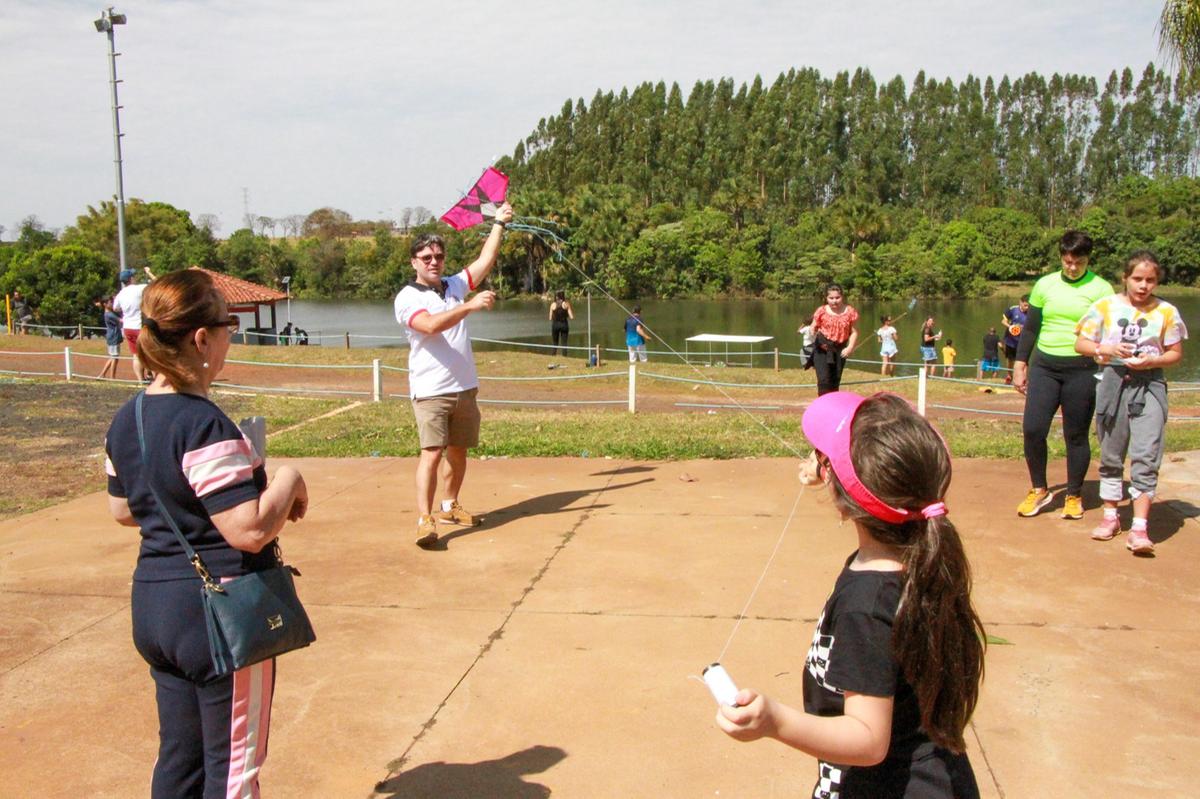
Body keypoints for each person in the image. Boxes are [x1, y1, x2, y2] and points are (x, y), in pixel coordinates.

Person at [716, 391, 985, 799]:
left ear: (844, 501)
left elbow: (867, 739)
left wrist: (774, 721)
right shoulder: (924, 557)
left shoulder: (868, 602)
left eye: (824, 459)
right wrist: (831, 472)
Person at [104, 269, 309, 798]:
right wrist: (286, 479)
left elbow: (123, 509)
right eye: (227, 327)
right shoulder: (203, 423)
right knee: (233, 768)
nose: (229, 338)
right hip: (220, 617)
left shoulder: (128, 418)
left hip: (156, 607)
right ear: (200, 339)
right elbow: (249, 530)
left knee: (180, 760)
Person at [394, 202, 514, 547]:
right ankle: (424, 518)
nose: (434, 262)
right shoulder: (407, 297)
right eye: (426, 257)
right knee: (431, 453)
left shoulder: (453, 285)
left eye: (438, 256)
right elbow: (429, 326)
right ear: (414, 262)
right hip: (431, 390)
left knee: (458, 451)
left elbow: (484, 261)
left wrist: (498, 224)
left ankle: (449, 505)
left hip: (464, 387)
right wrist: (470, 306)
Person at [1074, 250, 1187, 554]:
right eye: (1137, 278)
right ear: (1124, 278)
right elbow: (1080, 343)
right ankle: (1111, 516)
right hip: (1112, 382)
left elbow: (1175, 352)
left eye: (1150, 280)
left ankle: (1139, 528)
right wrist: (1105, 347)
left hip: (1150, 385)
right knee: (1111, 451)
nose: (1143, 285)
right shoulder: (1105, 307)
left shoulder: (1166, 311)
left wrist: (1153, 360)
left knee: (1146, 453)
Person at [1013, 230, 1114, 519]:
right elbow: (1031, 328)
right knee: (1033, 429)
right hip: (1046, 365)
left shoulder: (1101, 289)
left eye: (1078, 262)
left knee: (1076, 435)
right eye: (1067, 261)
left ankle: (1073, 493)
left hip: (1082, 369)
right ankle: (1039, 489)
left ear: (1087, 259)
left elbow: (1109, 332)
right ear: (1061, 257)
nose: (1071, 267)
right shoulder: (1044, 285)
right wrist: (1021, 364)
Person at [809, 284, 859, 395]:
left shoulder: (850, 312)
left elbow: (854, 332)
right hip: (822, 349)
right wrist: (812, 330)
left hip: (839, 349)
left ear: (842, 297)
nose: (834, 301)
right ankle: (823, 405)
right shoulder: (821, 311)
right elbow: (813, 326)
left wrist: (850, 347)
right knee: (824, 380)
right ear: (826, 298)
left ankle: (833, 406)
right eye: (831, 298)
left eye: (837, 298)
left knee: (835, 380)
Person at [113, 266, 156, 382]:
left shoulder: (121, 294)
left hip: (127, 327)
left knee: (136, 355)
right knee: (150, 352)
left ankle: (140, 380)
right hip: (139, 326)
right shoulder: (139, 289)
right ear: (131, 279)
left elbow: (115, 308)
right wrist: (149, 272)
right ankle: (155, 378)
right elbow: (157, 282)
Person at [1001, 296, 1030, 384]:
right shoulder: (1013, 310)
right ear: (1020, 302)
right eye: (1025, 305)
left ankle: (1024, 379)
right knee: (1010, 359)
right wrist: (1010, 326)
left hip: (1024, 340)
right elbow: (1003, 321)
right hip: (1011, 340)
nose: (1027, 308)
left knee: (1024, 361)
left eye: (1028, 306)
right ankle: (1009, 375)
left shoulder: (1031, 313)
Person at [97, 296, 122, 379]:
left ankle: (102, 375)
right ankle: (112, 378)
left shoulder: (109, 313)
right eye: (110, 302)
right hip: (113, 337)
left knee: (113, 357)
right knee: (114, 358)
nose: (112, 304)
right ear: (105, 304)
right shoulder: (109, 315)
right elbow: (121, 321)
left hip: (113, 336)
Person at [548, 291, 574, 356]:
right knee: (564, 342)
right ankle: (565, 356)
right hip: (564, 324)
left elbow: (550, 318)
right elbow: (572, 317)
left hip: (555, 324)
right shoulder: (566, 304)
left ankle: (553, 355)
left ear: (556, 296)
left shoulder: (553, 304)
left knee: (555, 341)